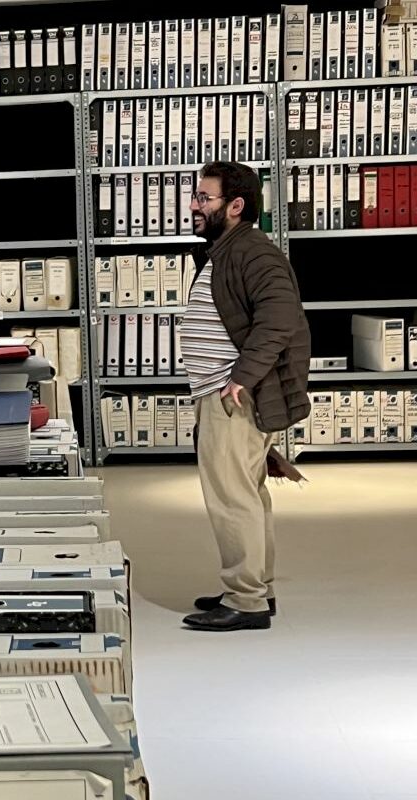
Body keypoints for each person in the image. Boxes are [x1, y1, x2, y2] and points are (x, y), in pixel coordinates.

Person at [178, 161, 311, 632]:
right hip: (223, 393)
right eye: (195, 196)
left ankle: (246, 600)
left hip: (231, 397)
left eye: (204, 198)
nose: (194, 205)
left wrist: (241, 378)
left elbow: (280, 318)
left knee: (232, 498)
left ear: (235, 205)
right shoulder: (229, 250)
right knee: (248, 494)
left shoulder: (253, 252)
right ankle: (257, 588)